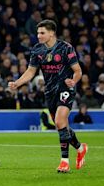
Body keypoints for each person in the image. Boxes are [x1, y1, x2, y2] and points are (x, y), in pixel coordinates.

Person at [8, 19, 88, 173]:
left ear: (52, 33)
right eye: (38, 32)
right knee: (61, 125)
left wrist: (74, 81)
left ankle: (64, 161)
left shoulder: (66, 48)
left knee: (59, 120)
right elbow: (31, 72)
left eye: (42, 33)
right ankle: (80, 147)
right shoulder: (37, 50)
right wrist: (17, 83)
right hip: (50, 91)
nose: (38, 35)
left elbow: (78, 70)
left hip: (66, 88)